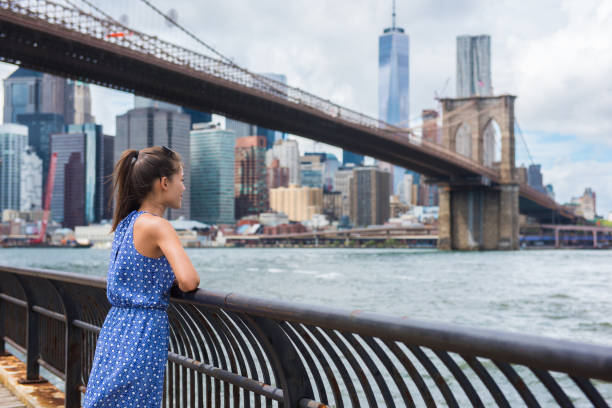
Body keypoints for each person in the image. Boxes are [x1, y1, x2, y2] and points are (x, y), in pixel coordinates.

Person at [83, 146, 200, 408]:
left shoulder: (126, 222)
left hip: (116, 326)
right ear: (164, 182)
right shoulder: (158, 226)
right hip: (143, 331)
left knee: (108, 398)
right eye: (181, 180)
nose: (183, 188)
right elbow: (189, 281)